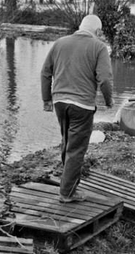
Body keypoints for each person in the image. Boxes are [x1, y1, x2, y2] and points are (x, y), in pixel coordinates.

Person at [41, 14, 113, 202]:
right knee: (76, 148)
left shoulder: (60, 43)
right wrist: (109, 101)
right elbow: (104, 79)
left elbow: (45, 73)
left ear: (80, 27)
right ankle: (67, 193)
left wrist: (46, 100)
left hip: (60, 102)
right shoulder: (99, 47)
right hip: (82, 105)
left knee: (67, 141)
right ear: (97, 31)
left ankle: (68, 180)